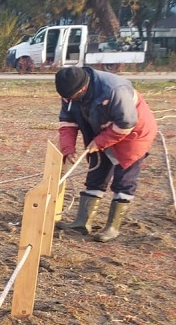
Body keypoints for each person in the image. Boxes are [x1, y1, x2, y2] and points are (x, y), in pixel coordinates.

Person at [54, 66, 158, 242]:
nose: (68, 100)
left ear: (82, 88)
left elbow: (126, 123)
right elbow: (68, 122)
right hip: (99, 131)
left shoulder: (115, 90)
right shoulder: (69, 92)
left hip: (132, 135)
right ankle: (82, 223)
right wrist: (68, 148)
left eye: (71, 96)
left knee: (124, 180)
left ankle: (112, 228)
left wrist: (101, 141)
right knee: (96, 174)